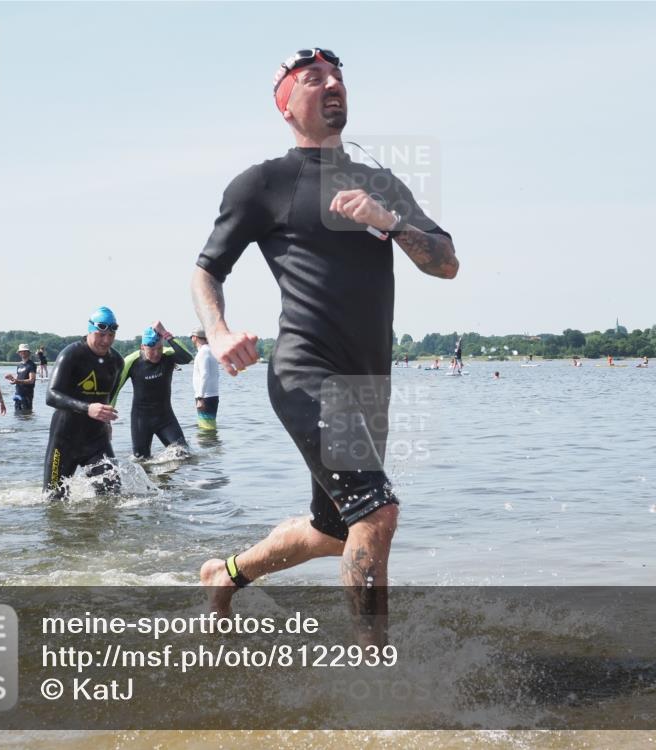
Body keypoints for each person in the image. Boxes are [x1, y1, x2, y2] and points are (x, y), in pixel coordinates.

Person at [192, 47, 458, 643]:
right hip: (305, 370)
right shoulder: (263, 183)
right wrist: (219, 331)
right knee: (377, 511)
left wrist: (390, 222)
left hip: (368, 382)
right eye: (313, 79)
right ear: (285, 105)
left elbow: (446, 264)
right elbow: (206, 271)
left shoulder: (380, 184)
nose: (332, 84)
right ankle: (374, 670)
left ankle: (224, 575)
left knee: (336, 531)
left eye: (337, 77)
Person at [44, 306, 124, 499]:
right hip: (64, 439)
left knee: (112, 497)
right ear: (90, 331)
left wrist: (106, 421)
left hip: (96, 440)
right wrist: (87, 408)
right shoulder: (71, 355)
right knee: (54, 500)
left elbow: (108, 397)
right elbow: (51, 395)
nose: (106, 341)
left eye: (111, 335)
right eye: (101, 335)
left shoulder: (116, 361)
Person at [111, 322, 194, 459]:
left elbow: (187, 358)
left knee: (184, 454)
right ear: (142, 347)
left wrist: (165, 333)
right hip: (141, 420)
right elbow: (114, 389)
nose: (156, 354)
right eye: (152, 350)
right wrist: (106, 419)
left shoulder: (167, 355)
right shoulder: (131, 361)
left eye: (159, 348)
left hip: (166, 418)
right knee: (141, 460)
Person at [191, 328, 220, 430]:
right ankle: (212, 440)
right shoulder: (210, 351)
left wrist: (200, 397)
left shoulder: (203, 352)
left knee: (206, 429)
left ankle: (209, 440)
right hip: (210, 395)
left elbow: (205, 374)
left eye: (191, 337)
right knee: (209, 427)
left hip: (205, 397)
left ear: (195, 337)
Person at [5, 344, 37, 413]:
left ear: (28, 353)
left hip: (27, 395)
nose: (23, 353)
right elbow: (17, 379)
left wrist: (17, 381)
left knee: (27, 414)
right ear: (19, 353)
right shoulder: (19, 365)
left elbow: (31, 380)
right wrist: (11, 379)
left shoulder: (32, 365)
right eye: (21, 351)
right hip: (18, 394)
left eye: (25, 351)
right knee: (17, 415)